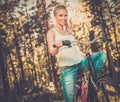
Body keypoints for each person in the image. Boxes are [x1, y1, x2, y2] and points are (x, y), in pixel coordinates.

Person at [47, 4, 107, 102]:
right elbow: (52, 52)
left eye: (65, 15)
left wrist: (85, 55)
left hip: (80, 63)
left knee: (102, 55)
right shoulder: (52, 32)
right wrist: (58, 46)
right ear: (55, 16)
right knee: (69, 100)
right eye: (60, 15)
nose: (64, 18)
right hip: (68, 70)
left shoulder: (68, 31)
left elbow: (75, 50)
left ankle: (95, 83)